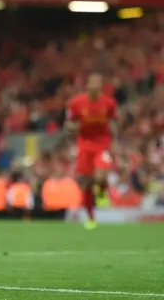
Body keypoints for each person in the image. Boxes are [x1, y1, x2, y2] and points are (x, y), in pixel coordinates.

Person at [65, 73, 118, 230]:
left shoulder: (109, 104)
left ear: (101, 87)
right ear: (88, 86)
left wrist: (115, 144)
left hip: (102, 144)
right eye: (92, 84)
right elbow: (69, 123)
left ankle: (102, 193)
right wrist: (71, 129)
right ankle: (90, 217)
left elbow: (113, 123)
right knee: (87, 182)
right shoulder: (76, 103)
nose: (95, 87)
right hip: (84, 144)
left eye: (98, 84)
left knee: (100, 175)